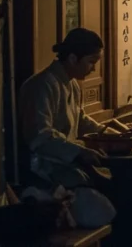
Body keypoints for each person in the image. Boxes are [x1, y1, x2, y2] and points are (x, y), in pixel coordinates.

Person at [19, 28, 107, 191]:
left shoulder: (71, 83)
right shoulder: (41, 85)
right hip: (43, 167)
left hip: (66, 160)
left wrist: (105, 132)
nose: (94, 69)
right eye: (91, 62)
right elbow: (40, 137)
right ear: (73, 58)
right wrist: (79, 152)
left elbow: (80, 118)